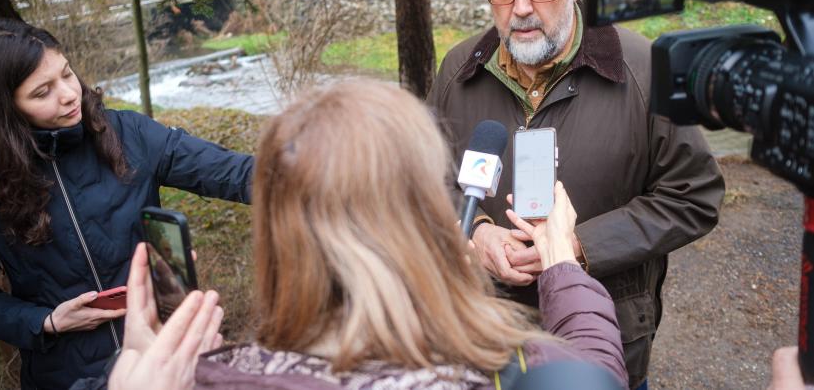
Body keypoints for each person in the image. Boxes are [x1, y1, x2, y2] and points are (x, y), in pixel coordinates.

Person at [102, 81, 628, 390]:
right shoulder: (495, 376)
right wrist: (560, 260)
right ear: (421, 226)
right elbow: (592, 374)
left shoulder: (191, 378)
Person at [426, 0, 726, 388]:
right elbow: (427, 180)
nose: (521, 7)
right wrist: (476, 231)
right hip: (482, 345)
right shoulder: (458, 70)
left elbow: (694, 195)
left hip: (604, 350)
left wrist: (578, 246)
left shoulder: (643, 69)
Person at [0, 19, 253, 389]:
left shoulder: (128, 134)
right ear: (6, 110)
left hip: (166, 360)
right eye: (42, 92)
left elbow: (235, 173)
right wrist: (45, 321)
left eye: (67, 74)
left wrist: (328, 176)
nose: (68, 94)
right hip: (63, 376)